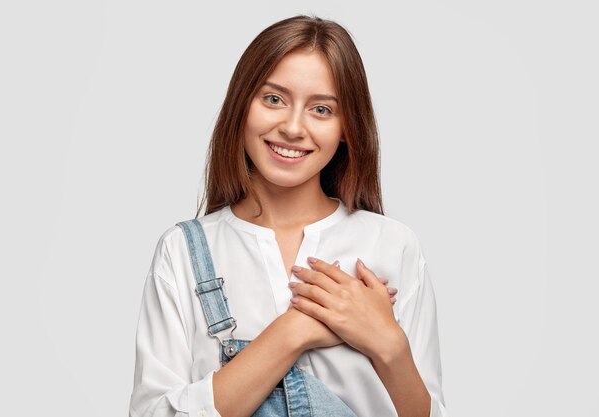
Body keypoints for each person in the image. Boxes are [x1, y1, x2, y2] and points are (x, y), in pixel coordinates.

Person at [129, 15, 448, 417]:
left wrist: (388, 343)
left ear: (347, 127)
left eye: (321, 109)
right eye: (274, 99)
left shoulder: (391, 245)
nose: (293, 128)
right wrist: (292, 332)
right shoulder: (183, 253)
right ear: (242, 104)